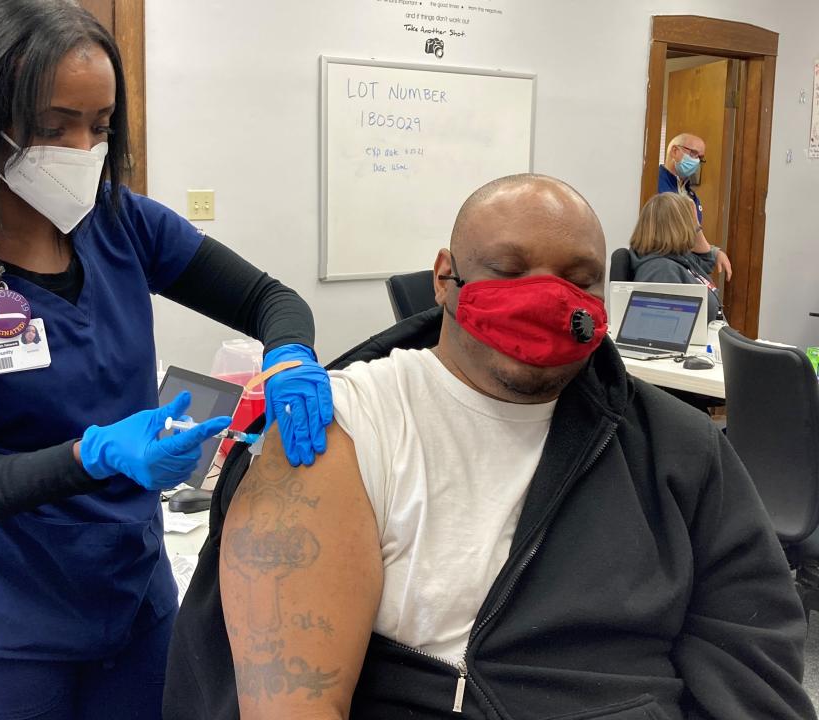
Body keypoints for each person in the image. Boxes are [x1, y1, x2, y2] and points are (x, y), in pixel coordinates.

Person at [164, 174, 815, 720]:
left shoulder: (683, 455)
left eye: (579, 279)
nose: (546, 299)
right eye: (508, 271)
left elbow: (751, 668)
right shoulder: (347, 428)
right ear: (445, 278)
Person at [0, 0, 332, 717]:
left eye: (101, 125)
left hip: (127, 590)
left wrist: (292, 355)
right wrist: (94, 455)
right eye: (53, 127)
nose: (83, 148)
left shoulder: (121, 225)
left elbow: (270, 298)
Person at [628, 192, 724, 322]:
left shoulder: (680, 258)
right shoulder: (661, 270)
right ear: (677, 227)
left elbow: (707, 259)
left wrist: (695, 225)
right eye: (691, 223)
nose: (694, 228)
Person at [659, 133, 732, 281]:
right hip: (664, 266)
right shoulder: (654, 184)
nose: (697, 161)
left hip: (684, 265)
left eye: (700, 158)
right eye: (693, 153)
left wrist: (714, 252)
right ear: (674, 151)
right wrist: (710, 252)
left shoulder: (691, 196)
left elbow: (692, 238)